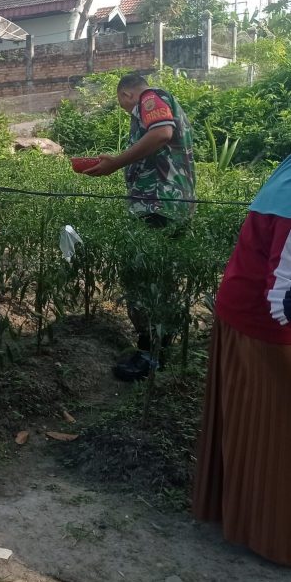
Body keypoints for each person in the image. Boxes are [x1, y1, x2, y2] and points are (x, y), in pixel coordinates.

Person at [192, 156, 291, 566]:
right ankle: (270, 533)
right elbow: (284, 297)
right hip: (266, 326)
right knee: (273, 433)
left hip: (255, 317)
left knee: (257, 426)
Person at [84, 73, 195, 380]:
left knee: (142, 277)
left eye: (122, 104)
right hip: (173, 204)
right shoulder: (161, 101)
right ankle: (161, 353)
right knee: (163, 278)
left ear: (125, 95)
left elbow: (160, 133)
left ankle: (148, 355)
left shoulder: (149, 98)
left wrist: (116, 162)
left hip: (156, 205)